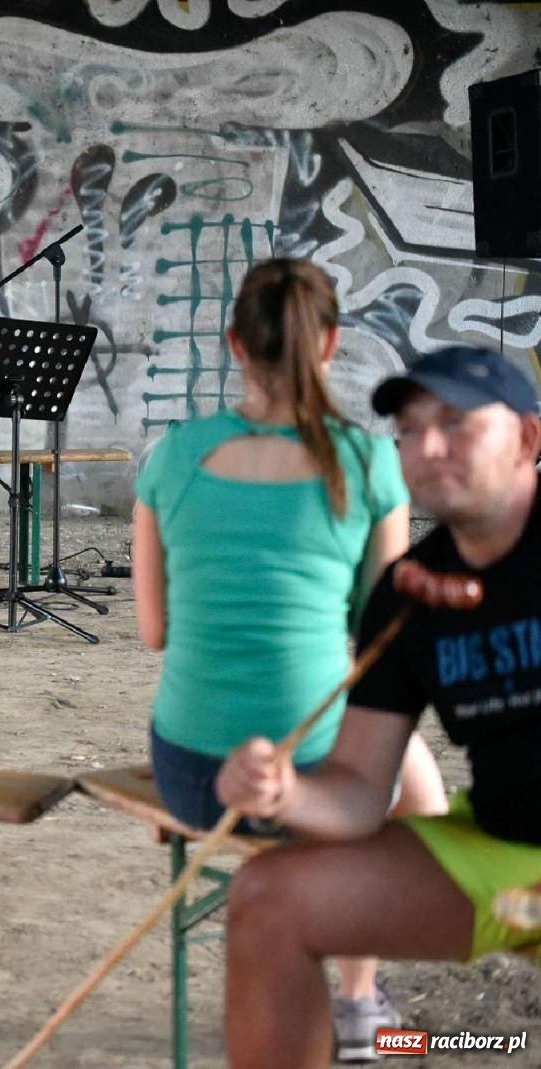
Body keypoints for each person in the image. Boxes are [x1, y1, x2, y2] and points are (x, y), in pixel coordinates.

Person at [132, 258, 446, 1062]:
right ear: (330, 344)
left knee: (393, 771)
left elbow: (154, 629)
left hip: (194, 773)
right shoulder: (369, 462)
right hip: (314, 776)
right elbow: (377, 643)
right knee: (413, 782)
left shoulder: (174, 455)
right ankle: (359, 998)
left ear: (235, 343)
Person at [214, 345, 541, 1069]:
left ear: (526, 438)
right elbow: (362, 787)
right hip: (507, 858)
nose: (428, 447)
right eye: (410, 430)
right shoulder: (409, 591)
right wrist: (284, 791)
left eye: (455, 423)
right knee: (267, 898)